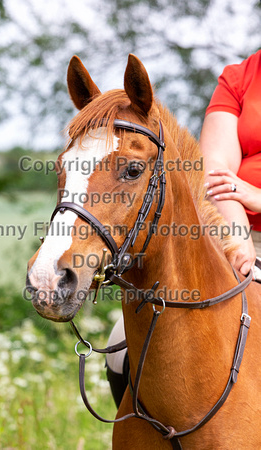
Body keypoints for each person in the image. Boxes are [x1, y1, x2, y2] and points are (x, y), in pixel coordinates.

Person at [106, 50, 261, 408]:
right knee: (121, 342)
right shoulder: (240, 76)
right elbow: (217, 170)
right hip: (232, 229)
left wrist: (257, 195)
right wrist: (236, 240)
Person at [200, 49, 261, 276]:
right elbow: (215, 165)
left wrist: (257, 196)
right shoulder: (240, 77)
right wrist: (236, 230)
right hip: (241, 231)